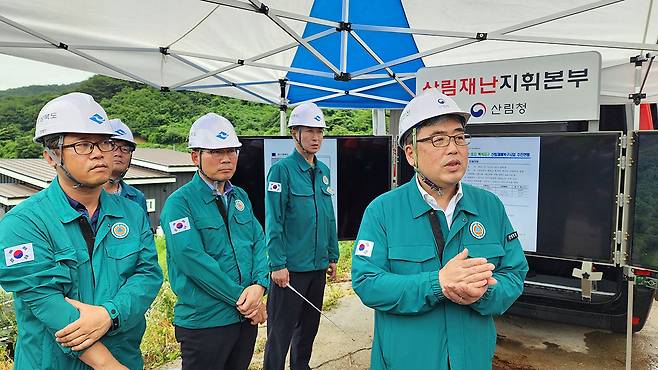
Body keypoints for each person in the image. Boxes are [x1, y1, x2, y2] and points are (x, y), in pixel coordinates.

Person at [351, 90, 528, 370]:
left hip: (472, 361)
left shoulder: (490, 206)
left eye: (459, 137)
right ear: (411, 154)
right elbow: (367, 283)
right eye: (438, 139)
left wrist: (485, 293)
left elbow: (514, 273)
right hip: (404, 362)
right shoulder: (382, 211)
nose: (453, 148)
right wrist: (437, 284)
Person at [0, 92, 163, 369]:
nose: (100, 153)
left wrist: (110, 314)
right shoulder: (23, 223)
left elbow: (147, 274)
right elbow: (45, 300)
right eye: (84, 145)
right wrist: (107, 365)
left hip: (124, 356)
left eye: (105, 143)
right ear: (51, 157)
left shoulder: (131, 212)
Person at [160, 113, 269, 370]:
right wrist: (245, 300)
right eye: (216, 151)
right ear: (195, 156)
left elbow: (258, 242)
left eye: (232, 151)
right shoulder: (180, 203)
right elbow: (192, 261)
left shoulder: (240, 196)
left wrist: (260, 285)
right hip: (205, 322)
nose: (226, 158)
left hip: (243, 320)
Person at [263, 102, 339, 370]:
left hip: (317, 266)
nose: (316, 138)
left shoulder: (324, 172)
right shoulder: (281, 171)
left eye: (320, 132)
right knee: (280, 333)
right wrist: (277, 264)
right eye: (310, 131)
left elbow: (328, 216)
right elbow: (274, 221)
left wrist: (332, 256)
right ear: (294, 132)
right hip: (290, 269)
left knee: (309, 329)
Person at [104, 118, 148, 214]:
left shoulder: (137, 198)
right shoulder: (83, 194)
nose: (118, 153)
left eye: (125, 148)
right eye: (113, 146)